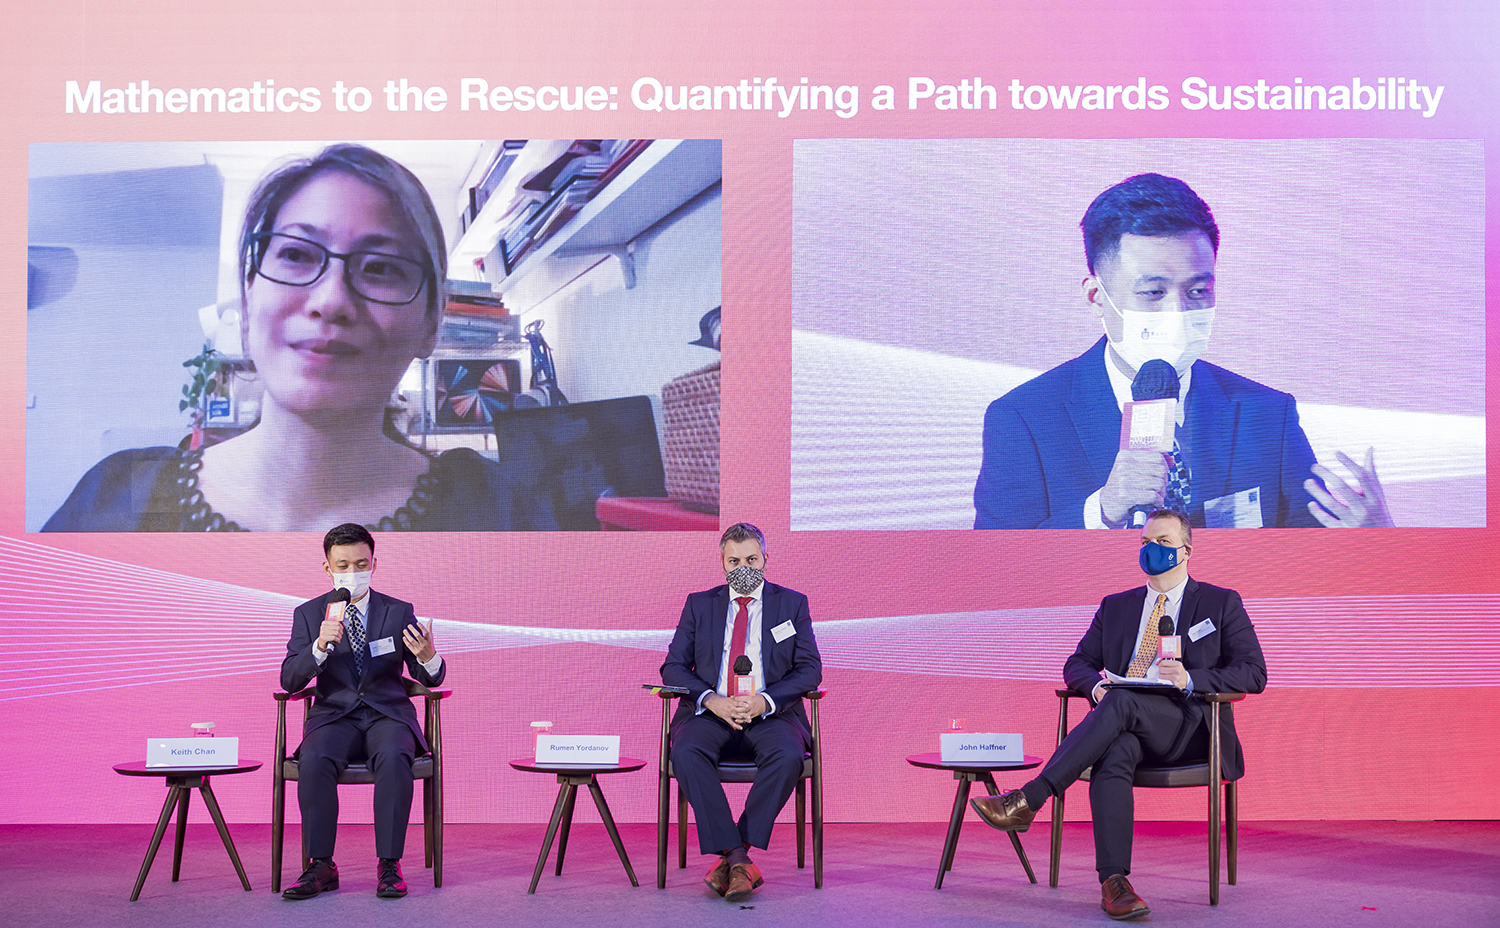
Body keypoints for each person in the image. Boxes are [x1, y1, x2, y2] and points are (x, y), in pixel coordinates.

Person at [43, 143, 556, 532]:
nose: (330, 300)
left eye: (380, 268)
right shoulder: (114, 501)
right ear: (247, 304)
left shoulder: (507, 514)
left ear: (430, 323)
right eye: (295, 255)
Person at [972, 172, 1393, 530]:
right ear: (1097, 295)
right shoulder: (1024, 419)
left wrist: (1376, 540)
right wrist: (1101, 511)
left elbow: (1311, 566)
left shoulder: (1267, 414)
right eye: (1153, 292)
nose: (1178, 312)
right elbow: (994, 576)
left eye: (1197, 291)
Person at [970, 510, 1265, 920]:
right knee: (1115, 747)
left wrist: (1189, 677)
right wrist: (1095, 687)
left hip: (1189, 728)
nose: (1151, 549)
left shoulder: (1219, 602)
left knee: (1122, 703)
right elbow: (1078, 663)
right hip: (1124, 724)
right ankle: (1114, 884)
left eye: (1163, 542)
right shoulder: (1117, 607)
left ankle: (1029, 799)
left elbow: (1253, 672)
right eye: (1145, 542)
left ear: (1186, 551)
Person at [279, 522, 445, 900]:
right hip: (334, 715)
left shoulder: (398, 611)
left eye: (360, 563)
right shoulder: (308, 615)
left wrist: (429, 657)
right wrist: (319, 648)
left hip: (387, 714)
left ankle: (389, 864)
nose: (352, 573)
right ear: (327, 568)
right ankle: (320, 865)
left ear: (373, 564)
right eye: (343, 565)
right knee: (316, 757)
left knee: (393, 754)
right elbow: (290, 679)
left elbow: (427, 676)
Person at [660, 522, 823, 902]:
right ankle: (739, 859)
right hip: (711, 713)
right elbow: (673, 667)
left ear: (766, 558)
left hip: (771, 714)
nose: (743, 567)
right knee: (685, 752)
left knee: (787, 756)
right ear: (722, 562)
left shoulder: (791, 603)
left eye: (751, 558)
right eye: (734, 560)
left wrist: (764, 700)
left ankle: (734, 855)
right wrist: (712, 700)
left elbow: (810, 668)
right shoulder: (699, 604)